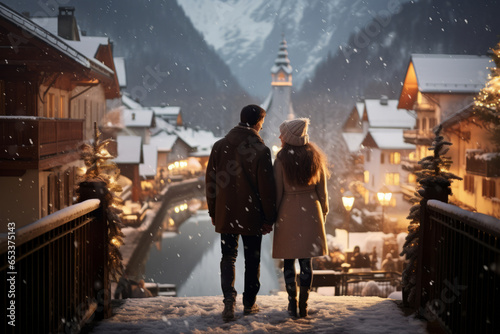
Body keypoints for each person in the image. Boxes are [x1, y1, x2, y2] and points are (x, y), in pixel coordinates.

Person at [206, 104, 277, 322]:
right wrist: (268, 218)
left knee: (228, 256)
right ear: (257, 122)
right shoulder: (261, 150)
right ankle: (249, 303)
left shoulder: (219, 146)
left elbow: (210, 183)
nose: (262, 127)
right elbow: (267, 189)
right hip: (252, 215)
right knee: (252, 260)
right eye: (262, 122)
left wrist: (213, 211)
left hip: (226, 213)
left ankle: (229, 300)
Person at [272, 118, 329, 318]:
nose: (280, 137)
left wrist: (273, 217)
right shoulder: (315, 157)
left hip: (287, 211)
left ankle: (291, 302)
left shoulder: (280, 160)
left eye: (283, 134)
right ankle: (304, 304)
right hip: (311, 211)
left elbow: (277, 192)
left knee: (289, 261)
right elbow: (322, 191)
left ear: (289, 137)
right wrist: (323, 211)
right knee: (307, 262)